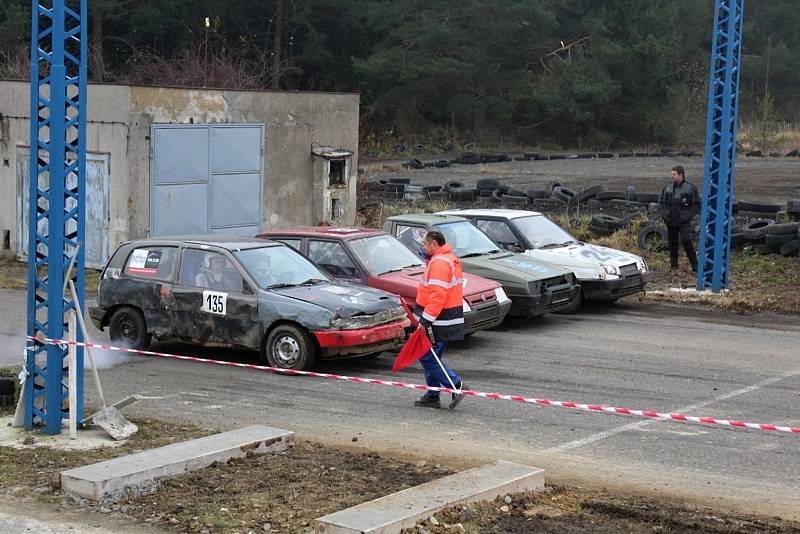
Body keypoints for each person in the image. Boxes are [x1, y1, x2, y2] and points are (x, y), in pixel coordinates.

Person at [412, 230, 467, 410]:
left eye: (425, 244)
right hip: (445, 318)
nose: (423, 247)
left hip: (438, 320)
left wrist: (424, 320)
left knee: (426, 356)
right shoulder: (448, 259)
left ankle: (456, 385)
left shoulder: (439, 263)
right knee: (434, 356)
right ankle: (433, 395)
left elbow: (437, 297)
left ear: (434, 244)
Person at [659, 165, 699, 272]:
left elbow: (696, 205)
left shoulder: (690, 188)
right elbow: (662, 202)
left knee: (686, 240)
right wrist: (665, 215)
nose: (672, 176)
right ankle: (673, 266)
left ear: (681, 175)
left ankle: (695, 265)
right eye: (671, 174)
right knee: (672, 243)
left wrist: (687, 216)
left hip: (683, 221)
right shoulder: (667, 187)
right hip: (670, 220)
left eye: (674, 174)